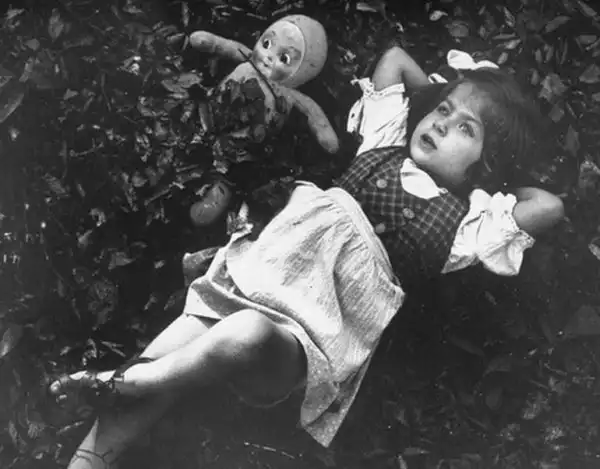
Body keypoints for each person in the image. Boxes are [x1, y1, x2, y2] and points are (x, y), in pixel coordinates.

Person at [48, 45, 564, 469]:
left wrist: (493, 178)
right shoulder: (382, 142)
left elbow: (547, 207)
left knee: (245, 334)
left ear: (485, 168)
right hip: (247, 280)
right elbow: (393, 61)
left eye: (466, 129)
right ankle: (96, 444)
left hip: (298, 345)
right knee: (163, 358)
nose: (442, 123)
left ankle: (124, 381)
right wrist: (447, 89)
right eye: (442, 110)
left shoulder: (465, 227)